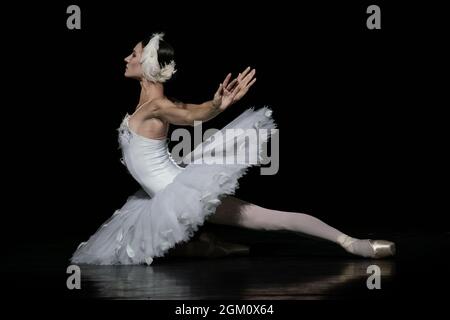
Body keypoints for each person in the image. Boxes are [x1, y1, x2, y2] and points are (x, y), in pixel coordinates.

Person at [70, 33, 395, 265]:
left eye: (134, 54)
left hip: (179, 192)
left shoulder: (157, 106)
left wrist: (218, 104)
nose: (127, 58)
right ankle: (215, 247)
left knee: (266, 219)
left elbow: (190, 114)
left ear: (148, 64)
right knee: (151, 247)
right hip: (160, 195)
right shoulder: (145, 103)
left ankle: (352, 243)